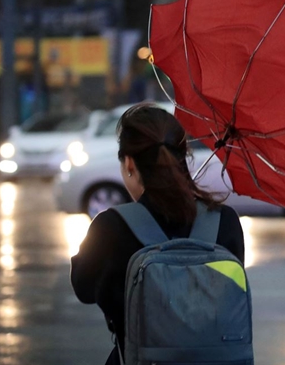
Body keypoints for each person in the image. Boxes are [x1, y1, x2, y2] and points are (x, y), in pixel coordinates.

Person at [70, 103, 246, 365]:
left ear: (129, 164)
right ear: (184, 157)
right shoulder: (225, 221)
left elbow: (84, 289)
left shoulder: (110, 227)